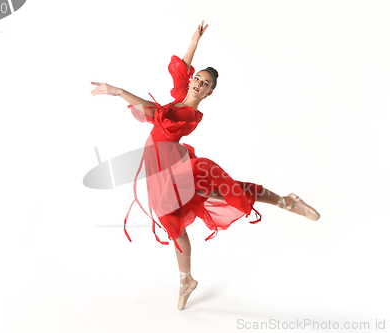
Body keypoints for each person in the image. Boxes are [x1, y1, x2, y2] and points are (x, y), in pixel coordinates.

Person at [90, 20, 320, 310]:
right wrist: (194, 42)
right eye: (198, 79)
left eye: (205, 84)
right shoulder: (179, 95)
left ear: (210, 93)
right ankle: (186, 279)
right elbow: (181, 71)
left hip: (176, 167)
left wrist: (118, 91)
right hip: (157, 171)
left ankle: (285, 201)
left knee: (226, 192)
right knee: (172, 224)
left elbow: (155, 113)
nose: (199, 83)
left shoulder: (187, 115)